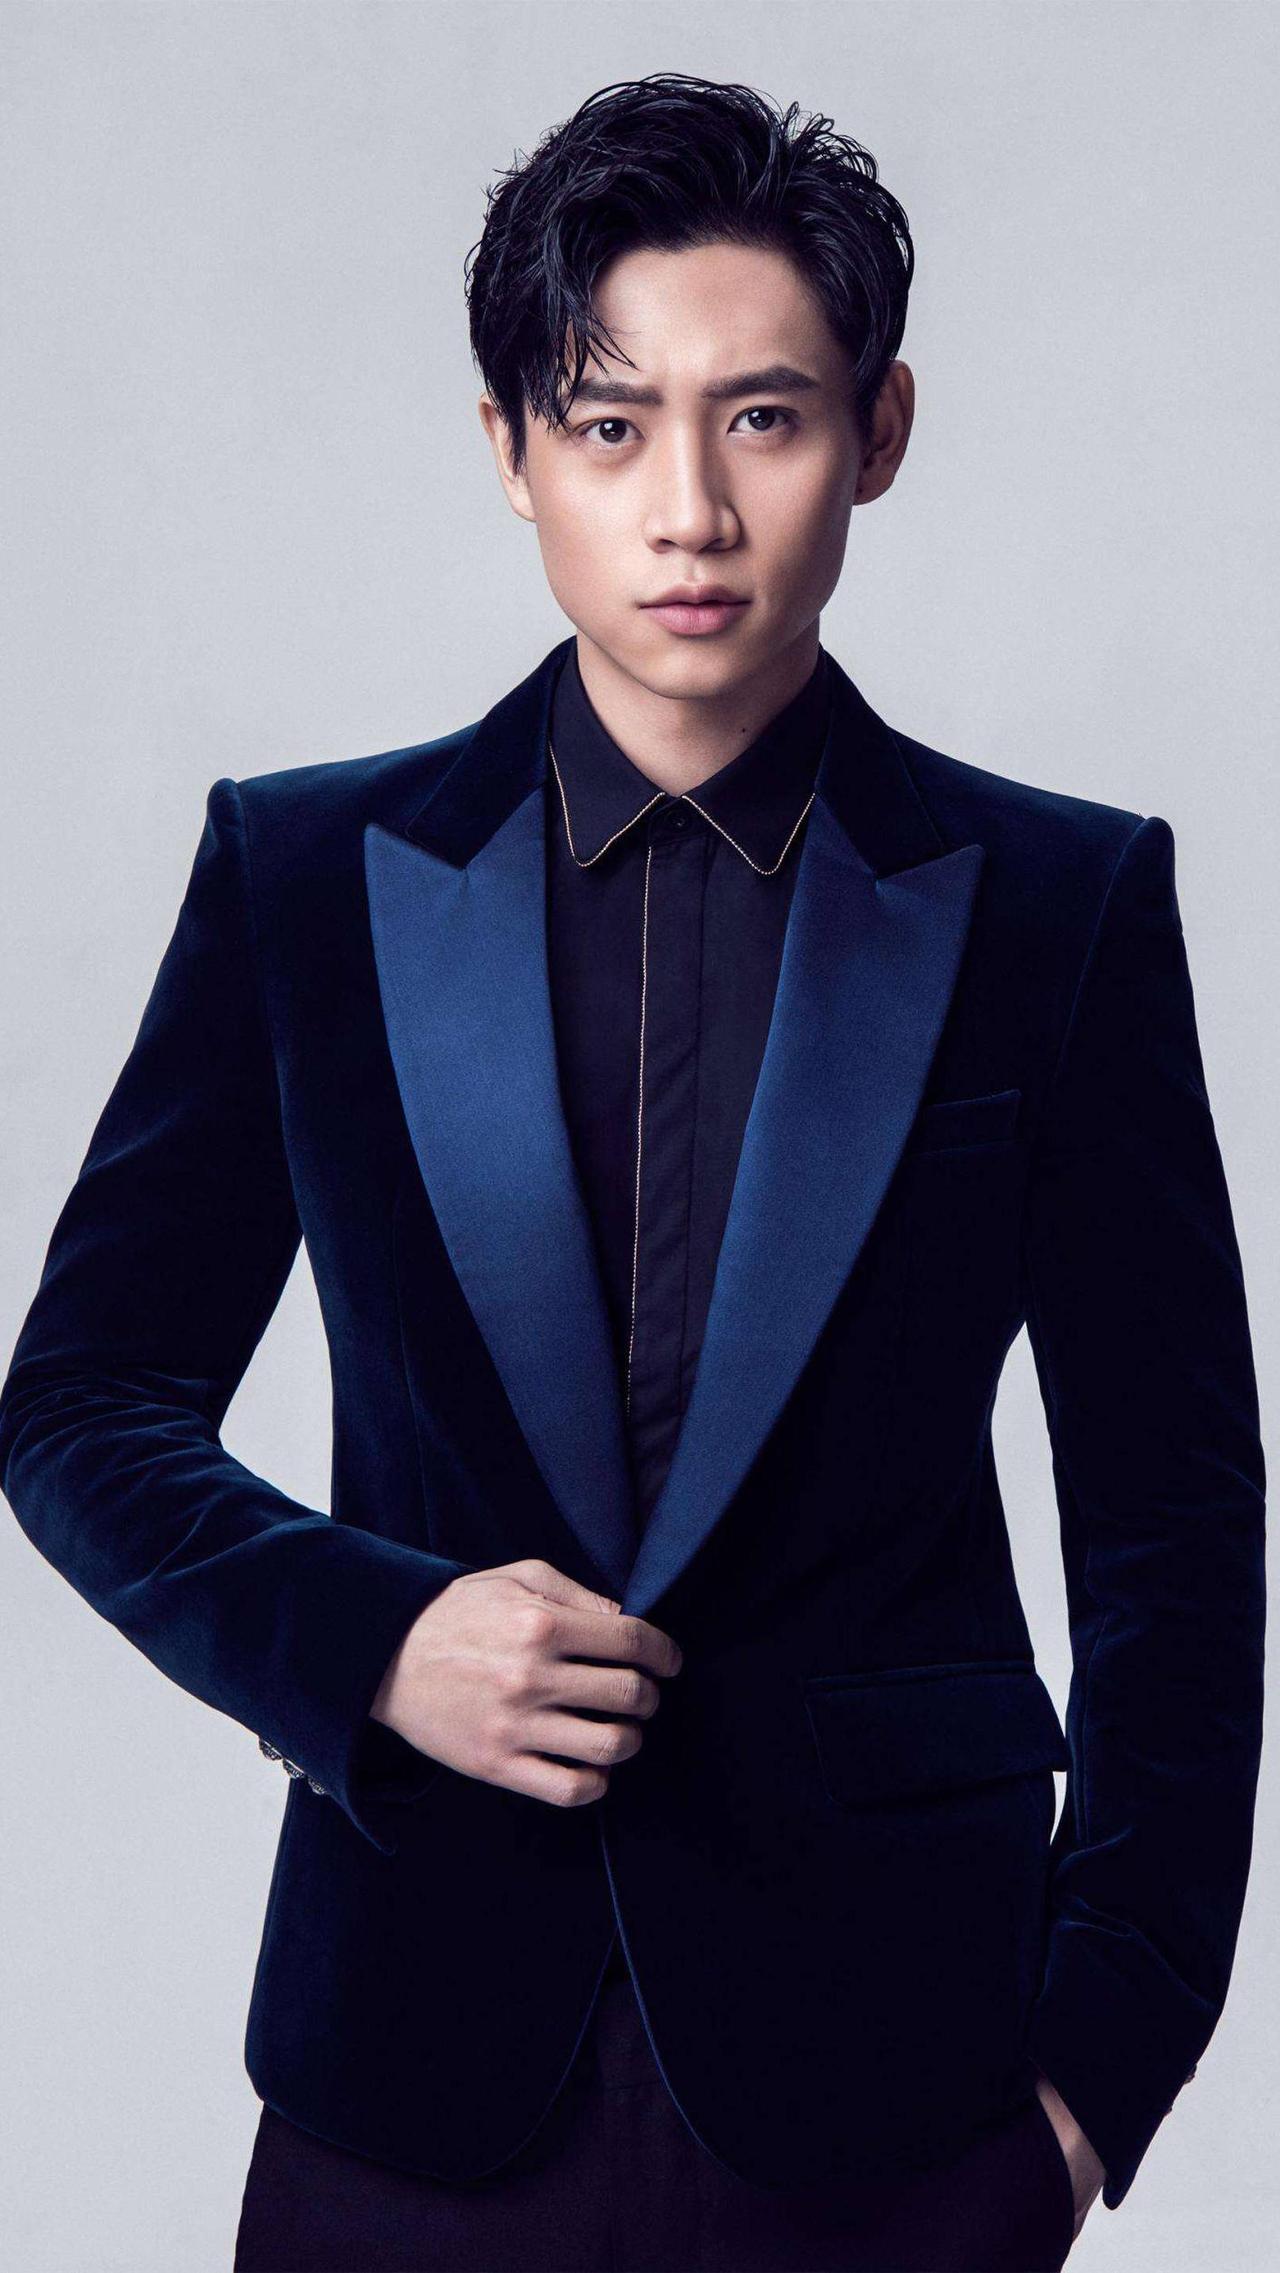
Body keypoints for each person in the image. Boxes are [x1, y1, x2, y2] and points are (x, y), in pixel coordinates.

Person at [0, 71, 1264, 2273]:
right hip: (407, 2081)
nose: (688, 509)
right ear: (510, 449)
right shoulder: (306, 879)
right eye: (608, 425)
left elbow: (1174, 1520)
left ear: (878, 430)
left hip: (906, 2095)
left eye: (761, 419)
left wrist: (1094, 2080)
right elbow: (82, 1403)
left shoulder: (1058, 911)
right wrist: (375, 1639)